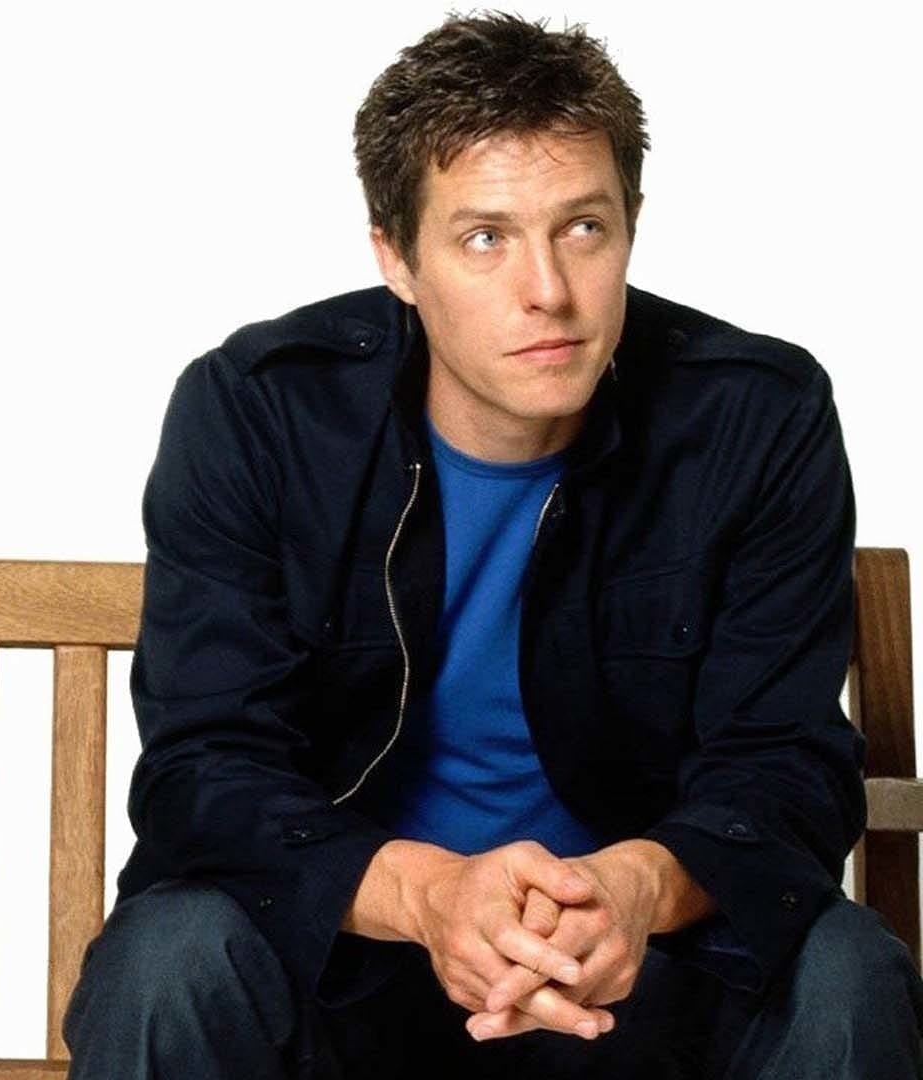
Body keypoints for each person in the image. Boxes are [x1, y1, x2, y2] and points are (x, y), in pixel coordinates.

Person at [63, 13, 922, 1079]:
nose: (547, 291)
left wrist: (635, 889)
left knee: (845, 974)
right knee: (169, 960)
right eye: (485, 238)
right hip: (348, 969)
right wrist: (429, 896)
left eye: (583, 228)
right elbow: (204, 770)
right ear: (397, 257)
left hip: (638, 975)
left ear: (632, 225)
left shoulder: (756, 415)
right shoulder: (260, 411)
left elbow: (786, 763)